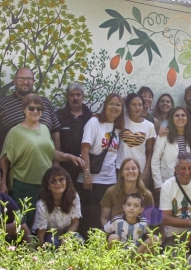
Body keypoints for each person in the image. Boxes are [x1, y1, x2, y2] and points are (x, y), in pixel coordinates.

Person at [0, 94, 84, 227]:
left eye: (39, 108)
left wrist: (69, 156)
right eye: (31, 108)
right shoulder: (15, 132)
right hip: (23, 184)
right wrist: (3, 183)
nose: (35, 111)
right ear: (24, 109)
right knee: (23, 222)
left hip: (45, 185)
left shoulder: (45, 129)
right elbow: (4, 160)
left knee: (42, 223)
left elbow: (51, 153)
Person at [79, 94, 124, 236]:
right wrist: (86, 175)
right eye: (112, 104)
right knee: (90, 218)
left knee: (105, 218)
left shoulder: (118, 127)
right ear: (105, 105)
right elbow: (84, 149)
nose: (114, 107)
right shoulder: (94, 122)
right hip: (93, 180)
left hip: (110, 179)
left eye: (118, 105)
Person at [0, 67, 61, 160]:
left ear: (33, 81)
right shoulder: (3, 103)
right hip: (13, 163)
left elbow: (55, 131)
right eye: (21, 79)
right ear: (15, 81)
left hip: (45, 161)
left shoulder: (44, 102)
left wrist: (56, 161)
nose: (25, 82)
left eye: (29, 79)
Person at [31, 166, 82, 247]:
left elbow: (75, 223)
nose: (58, 183)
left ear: (66, 181)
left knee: (79, 241)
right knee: (53, 244)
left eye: (61, 179)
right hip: (49, 235)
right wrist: (40, 253)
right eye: (53, 181)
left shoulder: (74, 198)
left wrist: (66, 237)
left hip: (68, 232)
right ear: (48, 186)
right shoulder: (42, 204)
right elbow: (41, 233)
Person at [151, 107, 191, 203]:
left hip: (185, 181)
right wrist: (158, 184)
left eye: (183, 115)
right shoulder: (164, 135)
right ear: (172, 118)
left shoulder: (190, 135)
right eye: (177, 115)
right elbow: (155, 160)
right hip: (167, 181)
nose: (180, 118)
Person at [55, 82, 94, 183]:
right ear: (67, 97)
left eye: (78, 95)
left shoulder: (90, 117)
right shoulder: (58, 116)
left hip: (85, 167)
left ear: (83, 97)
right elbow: (53, 143)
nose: (75, 98)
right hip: (64, 166)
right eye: (72, 95)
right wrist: (56, 163)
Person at [117, 93, 157, 188]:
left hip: (139, 169)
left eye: (140, 105)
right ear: (127, 106)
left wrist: (146, 172)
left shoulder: (149, 126)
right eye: (134, 104)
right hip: (120, 168)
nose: (137, 107)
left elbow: (149, 152)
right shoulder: (121, 120)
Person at [100, 158, 155, 226]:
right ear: (122, 173)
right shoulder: (111, 192)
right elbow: (104, 218)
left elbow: (150, 220)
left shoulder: (146, 194)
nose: (130, 171)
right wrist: (110, 234)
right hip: (115, 233)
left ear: (138, 172)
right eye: (127, 169)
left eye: (133, 168)